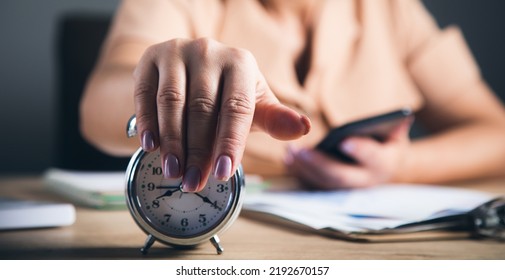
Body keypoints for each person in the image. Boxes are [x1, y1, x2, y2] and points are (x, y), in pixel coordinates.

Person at [80, 0, 505, 192]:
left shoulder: (392, 8)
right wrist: (161, 85)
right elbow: (99, 105)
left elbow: (496, 132)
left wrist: (401, 166)